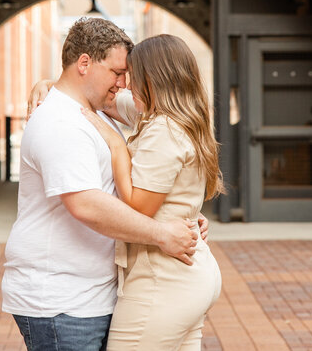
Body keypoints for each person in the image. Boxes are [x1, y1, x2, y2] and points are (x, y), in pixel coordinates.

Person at [1, 18, 203, 351]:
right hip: (61, 302)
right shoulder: (61, 122)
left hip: (91, 295)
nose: (124, 83)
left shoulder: (95, 110)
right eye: (116, 72)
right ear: (84, 63)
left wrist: (181, 213)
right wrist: (163, 234)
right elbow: (86, 204)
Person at [80, 34, 224, 349]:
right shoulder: (175, 117)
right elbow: (98, 96)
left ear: (153, 80)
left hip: (163, 280)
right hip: (191, 272)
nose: (126, 86)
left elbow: (139, 207)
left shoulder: (163, 130)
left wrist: (116, 143)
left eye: (133, 77)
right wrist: (49, 86)